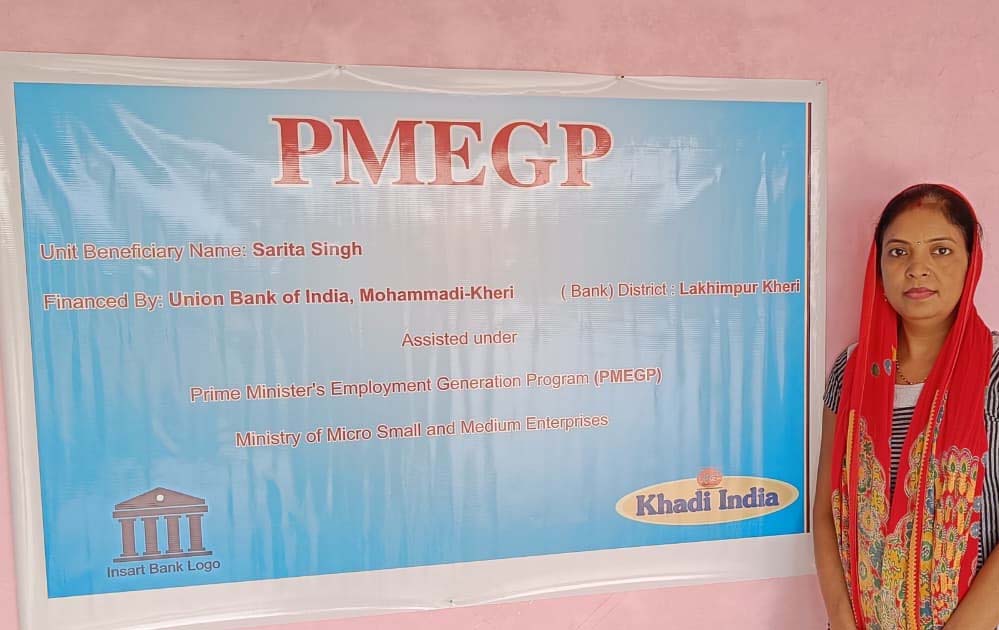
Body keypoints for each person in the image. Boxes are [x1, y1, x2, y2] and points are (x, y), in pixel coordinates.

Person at [814, 184, 999, 629]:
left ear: (971, 261)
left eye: (941, 250)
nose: (918, 268)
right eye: (898, 252)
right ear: (878, 266)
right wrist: (841, 619)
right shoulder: (851, 371)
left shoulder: (994, 370)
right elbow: (824, 512)